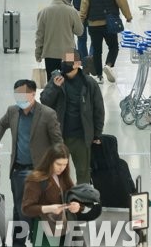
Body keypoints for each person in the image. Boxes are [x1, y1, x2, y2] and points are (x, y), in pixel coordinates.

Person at [0, 79, 64, 247]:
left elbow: (57, 141)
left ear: (33, 94)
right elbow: (1, 125)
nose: (19, 98)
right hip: (19, 169)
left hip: (39, 170)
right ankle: (18, 245)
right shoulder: (12, 112)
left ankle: (46, 239)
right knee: (20, 208)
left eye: (23, 94)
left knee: (41, 207)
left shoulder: (47, 114)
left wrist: (58, 165)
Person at [22, 144, 101, 247]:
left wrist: (78, 207)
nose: (61, 168)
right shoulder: (35, 179)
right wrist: (49, 208)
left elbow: (74, 198)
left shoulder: (64, 178)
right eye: (58, 164)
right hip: (44, 231)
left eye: (65, 165)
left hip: (67, 230)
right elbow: (27, 208)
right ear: (49, 161)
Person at [40, 52, 104, 185]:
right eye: (63, 61)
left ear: (77, 64)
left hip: (82, 137)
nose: (64, 64)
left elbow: (99, 110)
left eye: (68, 62)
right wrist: (54, 87)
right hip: (60, 137)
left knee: (83, 172)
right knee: (59, 173)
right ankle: (62, 202)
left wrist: (97, 133)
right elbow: (44, 101)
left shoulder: (89, 83)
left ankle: (80, 202)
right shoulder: (56, 80)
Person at [80, 0, 133, 83]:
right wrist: (128, 16)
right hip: (110, 23)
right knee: (113, 46)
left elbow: (84, 5)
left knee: (97, 50)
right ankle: (108, 65)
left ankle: (99, 76)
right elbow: (122, 1)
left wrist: (81, 20)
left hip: (93, 24)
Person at [35, 0, 84, 78]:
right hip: (68, 53)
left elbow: (39, 35)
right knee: (69, 81)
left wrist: (38, 54)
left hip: (50, 53)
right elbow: (79, 32)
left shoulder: (43, 12)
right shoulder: (71, 11)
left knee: (53, 83)